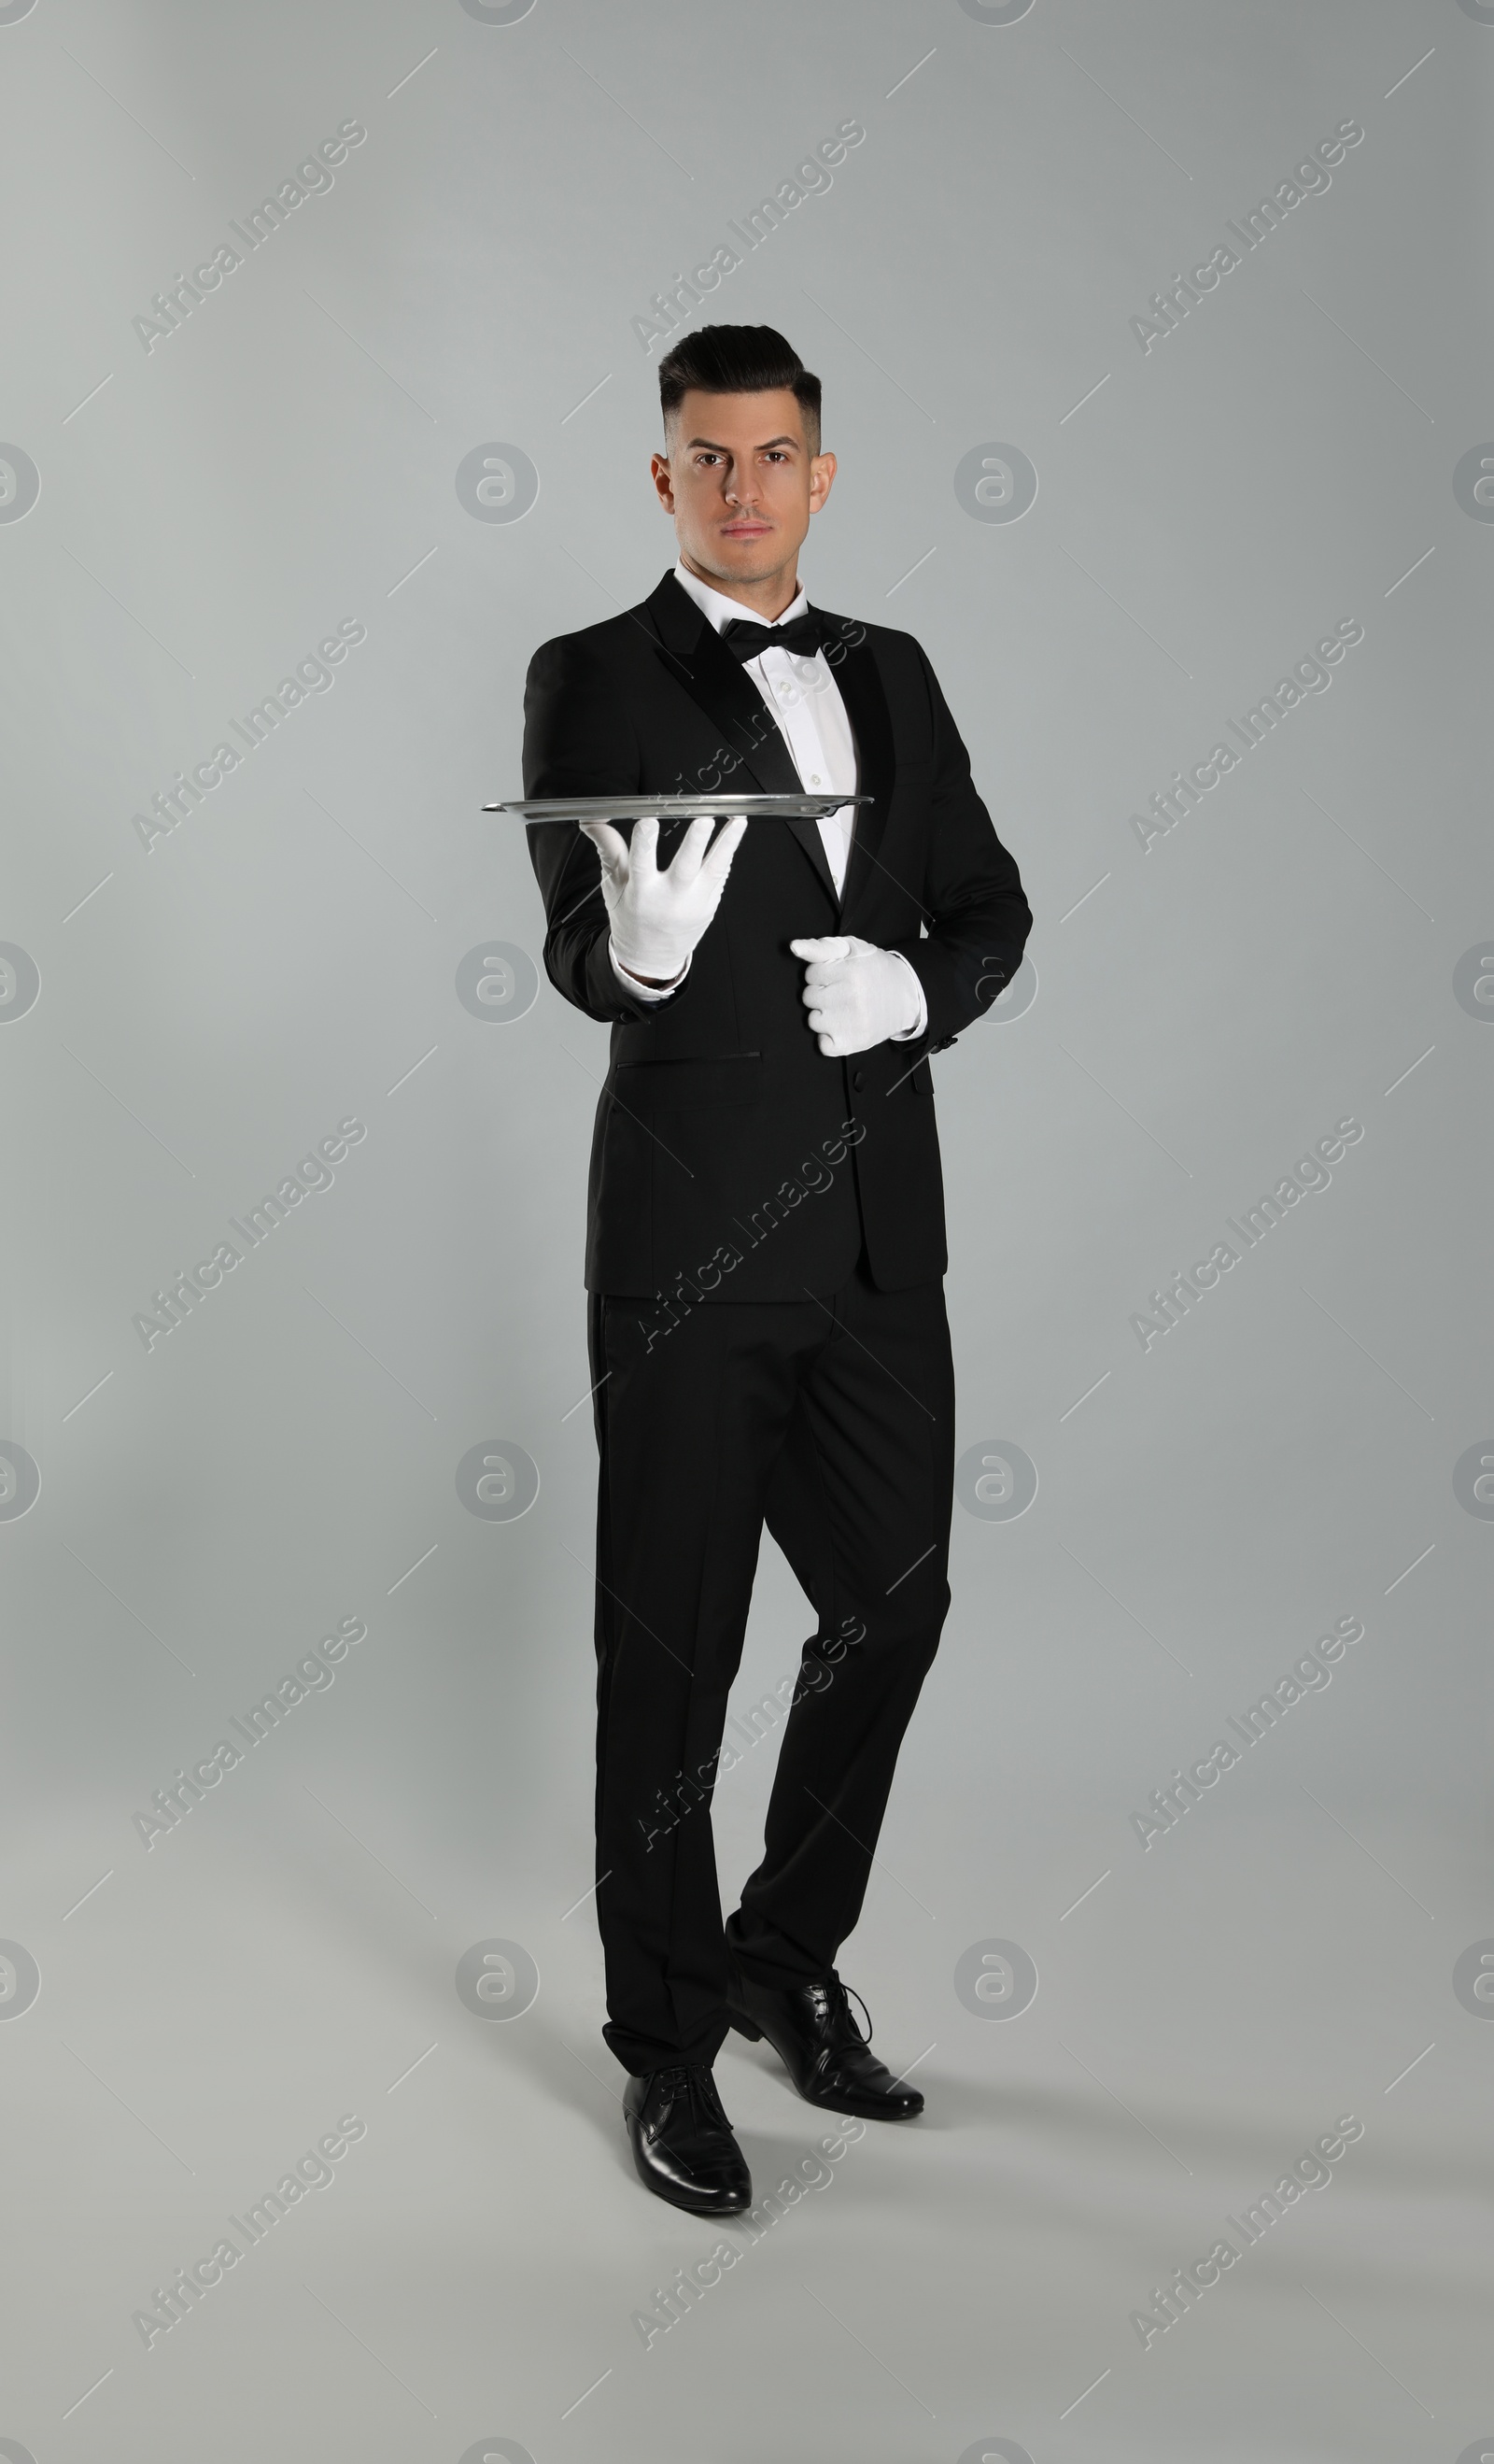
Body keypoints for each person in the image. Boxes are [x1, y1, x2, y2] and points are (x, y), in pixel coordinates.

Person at [523, 323, 1032, 2214]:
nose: (743, 486)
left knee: (890, 1607)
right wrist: (639, 953)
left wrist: (922, 987)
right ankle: (663, 2049)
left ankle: (774, 1948)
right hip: (684, 1247)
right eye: (706, 456)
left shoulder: (890, 674)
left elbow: (983, 901)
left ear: (824, 473)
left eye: (776, 454)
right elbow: (580, 937)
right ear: (663, 477)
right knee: (672, 1662)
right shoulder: (590, 672)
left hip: (878, 1239)